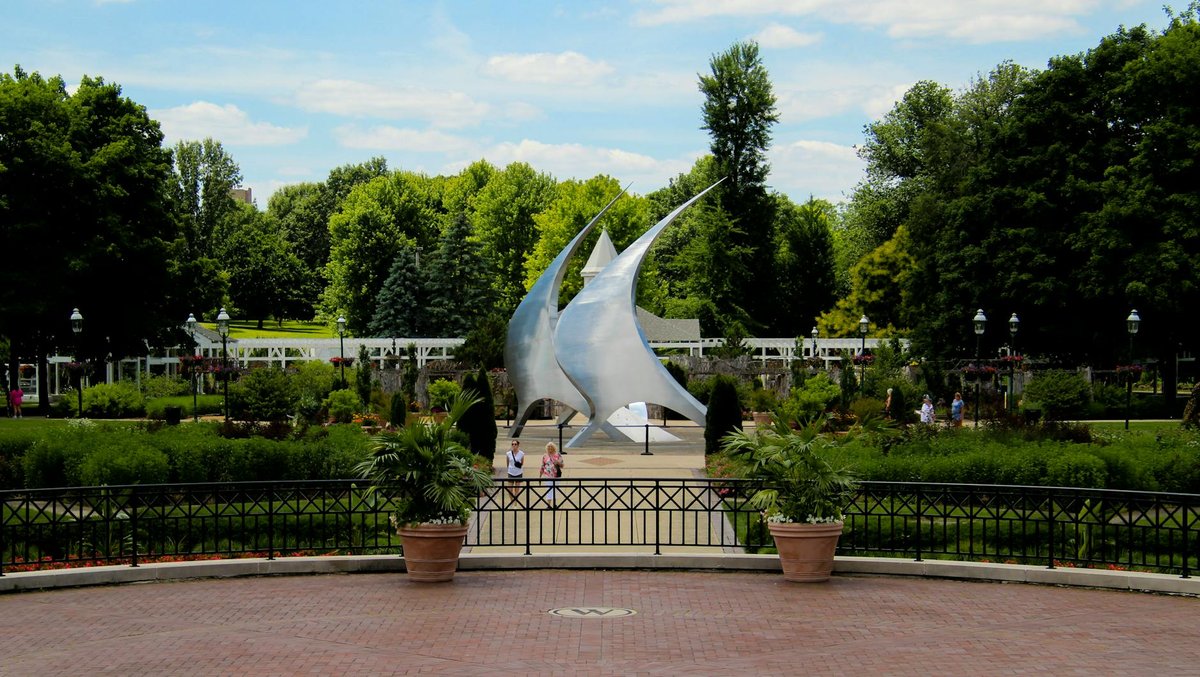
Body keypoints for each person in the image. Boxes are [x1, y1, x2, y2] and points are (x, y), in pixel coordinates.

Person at [539, 441, 565, 509]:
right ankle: (548, 505)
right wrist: (540, 475)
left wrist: (558, 462)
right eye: (548, 447)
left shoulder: (558, 455)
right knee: (549, 489)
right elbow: (542, 465)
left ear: (554, 448)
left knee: (555, 489)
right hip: (548, 475)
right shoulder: (545, 456)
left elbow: (562, 465)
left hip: (556, 475)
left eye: (551, 447)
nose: (550, 448)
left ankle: (554, 504)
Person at [505, 439, 526, 503]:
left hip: (518, 472)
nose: (514, 445)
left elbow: (522, 463)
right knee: (509, 489)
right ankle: (512, 500)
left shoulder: (521, 453)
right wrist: (509, 469)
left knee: (516, 489)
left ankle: (515, 501)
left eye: (515, 444)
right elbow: (507, 463)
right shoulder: (508, 453)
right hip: (510, 472)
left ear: (518, 445)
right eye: (512, 444)